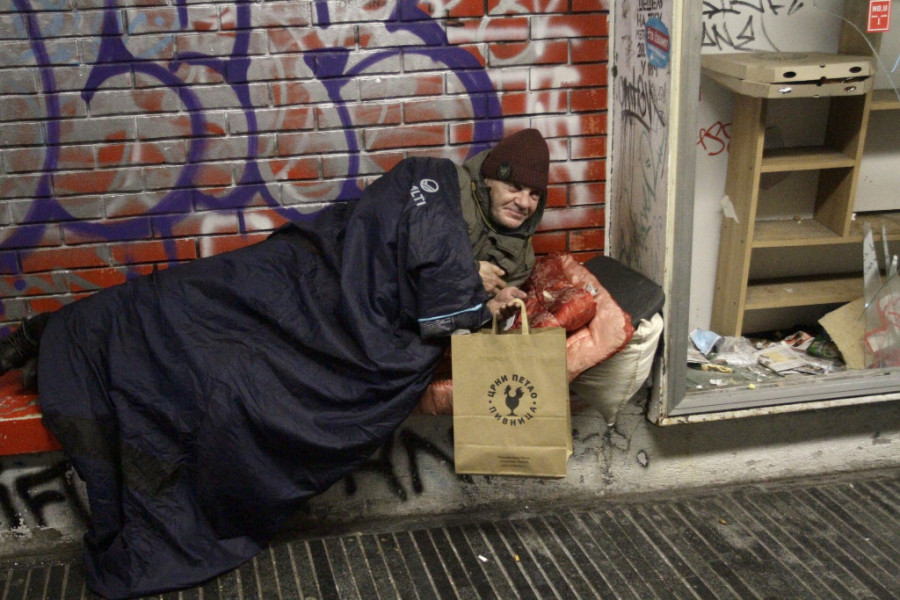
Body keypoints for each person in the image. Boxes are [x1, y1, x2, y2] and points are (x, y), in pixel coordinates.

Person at [0, 129, 549, 599]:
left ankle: (52, 353)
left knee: (228, 372)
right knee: (183, 299)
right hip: (310, 275)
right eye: (514, 186)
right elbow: (389, 234)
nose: (523, 202)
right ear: (487, 178)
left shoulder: (513, 255)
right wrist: (464, 281)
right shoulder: (437, 182)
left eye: (534, 195)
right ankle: (55, 335)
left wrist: (487, 299)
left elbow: (442, 311)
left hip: (339, 334)